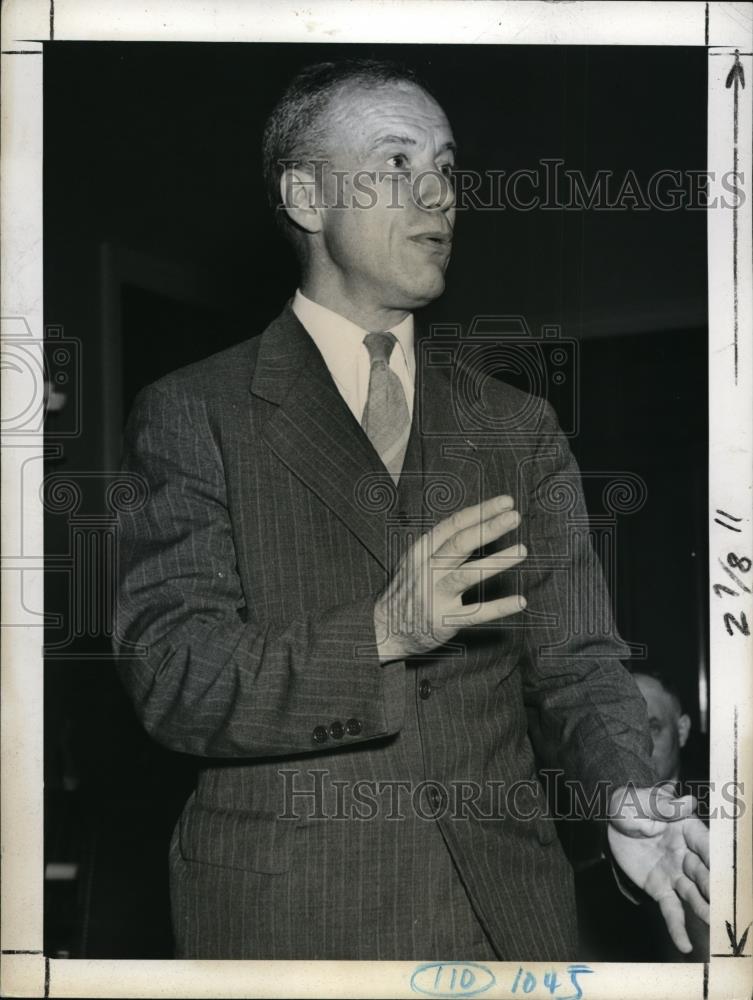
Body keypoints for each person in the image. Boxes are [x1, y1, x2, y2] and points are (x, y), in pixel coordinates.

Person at [113, 58, 709, 961]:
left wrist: (623, 789)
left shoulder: (516, 426)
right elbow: (174, 676)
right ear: (306, 197)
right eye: (396, 162)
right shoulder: (193, 412)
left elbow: (579, 663)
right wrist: (382, 631)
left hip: (508, 925)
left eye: (446, 166)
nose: (438, 193)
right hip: (290, 929)